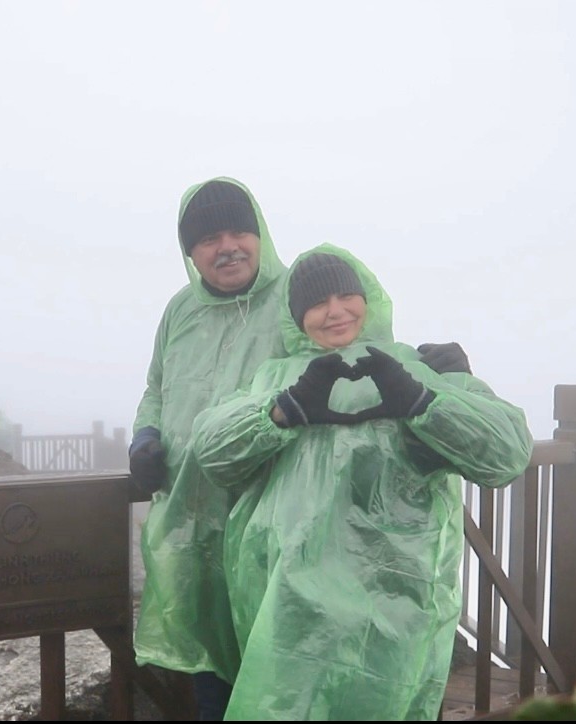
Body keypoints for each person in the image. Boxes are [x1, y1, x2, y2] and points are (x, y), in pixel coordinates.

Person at [190, 243, 534, 720]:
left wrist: (426, 400)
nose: (334, 312)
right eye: (316, 302)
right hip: (292, 604)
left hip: (393, 604)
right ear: (295, 316)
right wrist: (282, 411)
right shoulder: (274, 379)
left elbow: (506, 453)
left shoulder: (414, 369)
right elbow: (212, 452)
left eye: (345, 296)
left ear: (367, 298)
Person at [128, 176, 289, 720]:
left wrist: (428, 374)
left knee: (273, 668)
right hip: (192, 524)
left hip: (270, 521)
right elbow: (156, 387)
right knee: (209, 671)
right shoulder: (180, 311)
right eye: (209, 238)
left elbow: (353, 351)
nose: (228, 247)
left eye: (239, 231)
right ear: (190, 253)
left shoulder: (295, 299)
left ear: (259, 233)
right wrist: (145, 436)